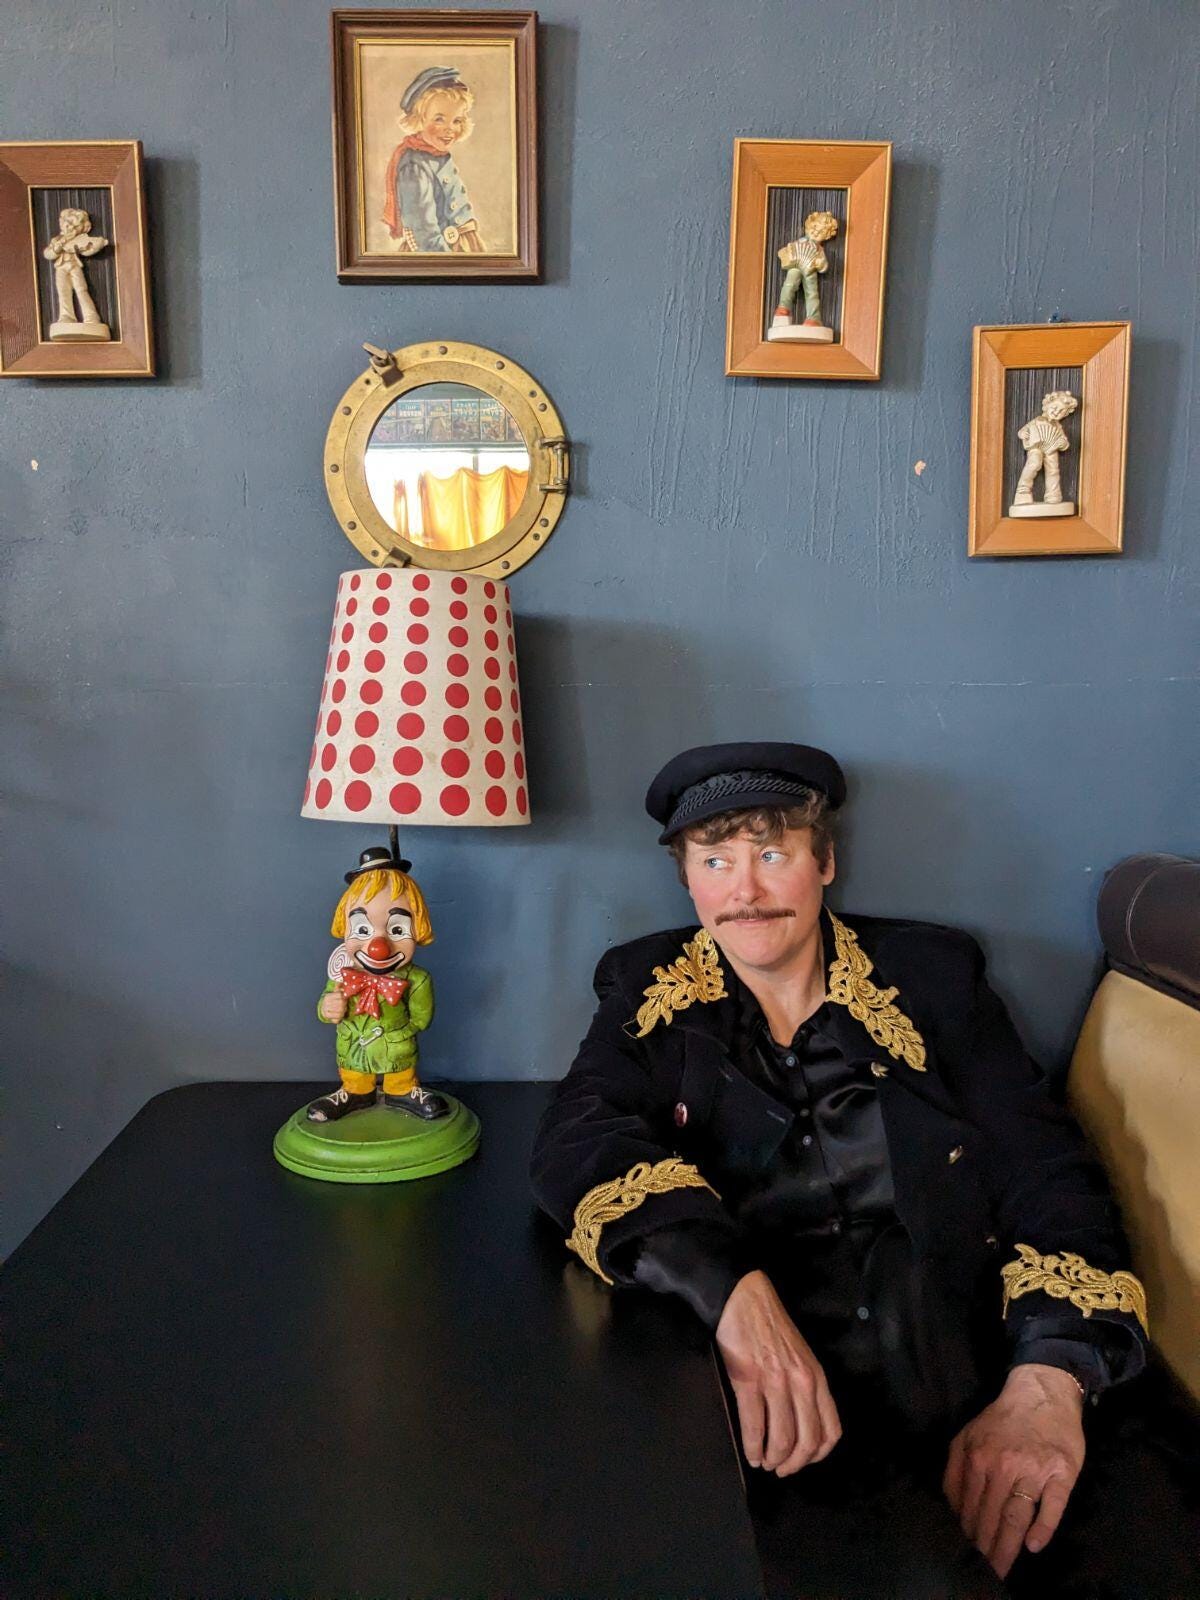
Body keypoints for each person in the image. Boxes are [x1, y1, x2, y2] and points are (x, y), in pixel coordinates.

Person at [531, 743, 1197, 1597]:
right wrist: (730, 1290)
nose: (745, 891)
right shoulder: (644, 986)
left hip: (972, 1374)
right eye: (715, 861)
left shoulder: (933, 975)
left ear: (825, 862)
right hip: (781, 1425)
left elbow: (1048, 1171)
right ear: (687, 880)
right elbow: (578, 1139)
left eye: (772, 854)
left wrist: (1049, 1378)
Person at [308, 846, 448, 1122]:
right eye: (363, 929)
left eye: (397, 929)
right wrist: (329, 1008)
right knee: (354, 1068)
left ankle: (402, 1089)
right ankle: (355, 1091)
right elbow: (324, 1009)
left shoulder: (416, 979)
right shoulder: (342, 975)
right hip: (353, 1045)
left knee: (400, 1067)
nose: (378, 946)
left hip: (396, 1046)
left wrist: (399, 1033)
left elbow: (421, 1018)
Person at [382, 65, 484, 254]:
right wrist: (446, 261)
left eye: (457, 121)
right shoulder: (414, 166)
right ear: (419, 119)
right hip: (438, 251)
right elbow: (424, 233)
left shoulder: (439, 155)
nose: (450, 129)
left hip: (462, 245)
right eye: (439, 119)